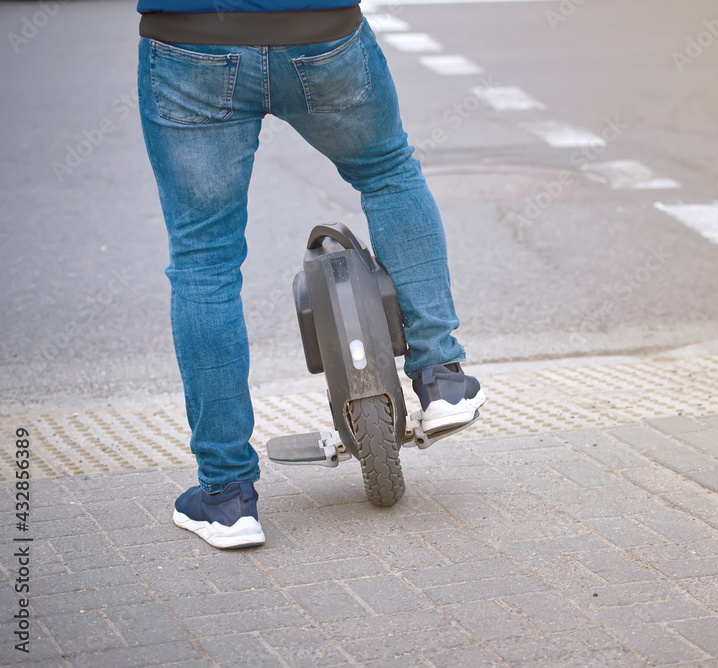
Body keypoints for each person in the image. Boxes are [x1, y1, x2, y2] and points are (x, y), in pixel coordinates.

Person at [136, 0, 485, 549]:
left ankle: (227, 498)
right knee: (387, 173)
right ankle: (441, 376)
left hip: (191, 41)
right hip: (319, 28)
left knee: (204, 257)